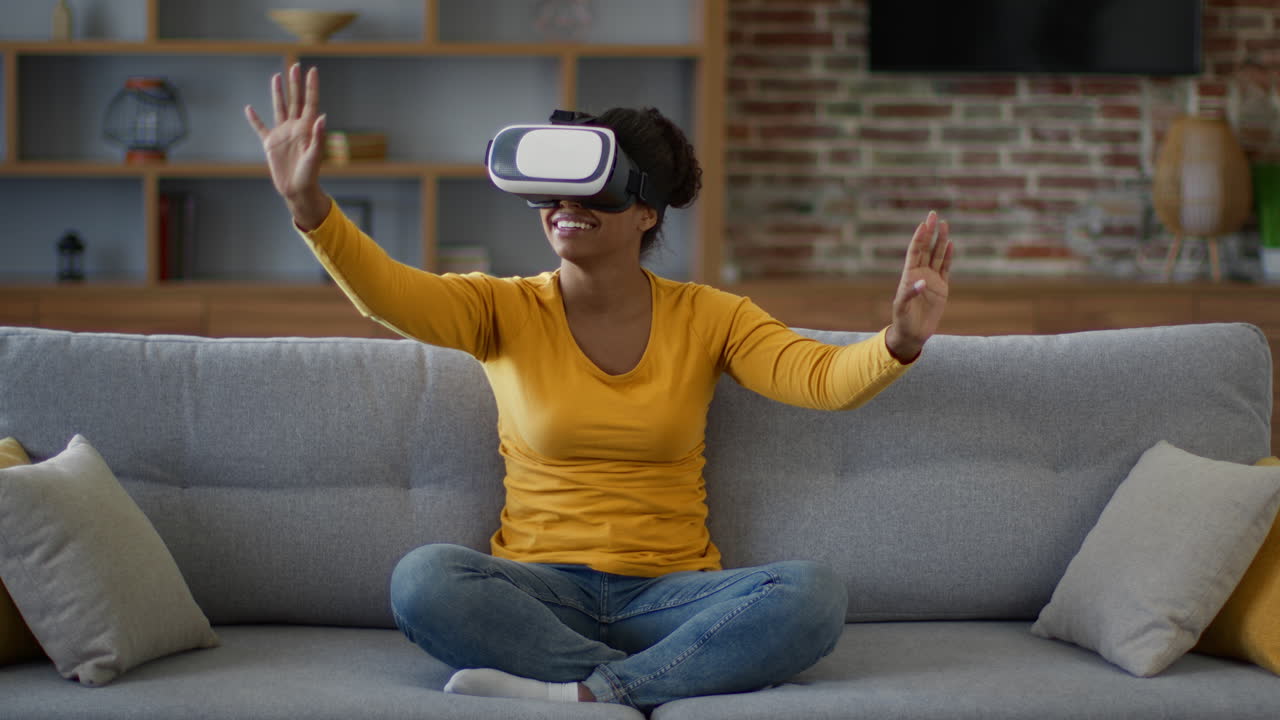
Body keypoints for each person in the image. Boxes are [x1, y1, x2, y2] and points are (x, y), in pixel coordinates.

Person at [246, 64, 954, 713]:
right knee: (422, 581)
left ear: (647, 212)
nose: (566, 205)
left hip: (670, 592)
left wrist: (900, 340)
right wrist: (308, 203)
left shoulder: (711, 316)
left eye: (594, 189)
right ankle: (646, 680)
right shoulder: (502, 308)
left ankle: (588, 692)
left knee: (813, 596)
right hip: (537, 589)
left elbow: (821, 378)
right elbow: (386, 294)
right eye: (554, 191)